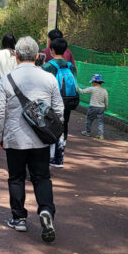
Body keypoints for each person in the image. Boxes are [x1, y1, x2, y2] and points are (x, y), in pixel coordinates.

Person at [0, 35, 64, 243]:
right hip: (41, 139)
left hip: (15, 138)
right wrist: (53, 132)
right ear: (37, 55)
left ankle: (19, 218)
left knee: (16, 177)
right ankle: (46, 210)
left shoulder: (7, 80)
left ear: (16, 56)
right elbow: (59, 110)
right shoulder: (49, 78)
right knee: (42, 177)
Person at [42, 37, 80, 168]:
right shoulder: (70, 66)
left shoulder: (48, 66)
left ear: (52, 50)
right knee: (63, 125)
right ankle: (59, 157)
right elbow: (75, 83)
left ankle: (49, 156)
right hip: (68, 100)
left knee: (49, 126)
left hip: (52, 101)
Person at [79, 74, 109, 138]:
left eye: (92, 81)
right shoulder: (104, 90)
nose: (92, 83)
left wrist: (76, 87)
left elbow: (83, 91)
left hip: (93, 106)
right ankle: (100, 134)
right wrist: (106, 107)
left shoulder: (92, 88)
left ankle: (88, 132)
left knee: (89, 119)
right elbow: (106, 100)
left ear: (95, 82)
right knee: (100, 121)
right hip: (101, 108)